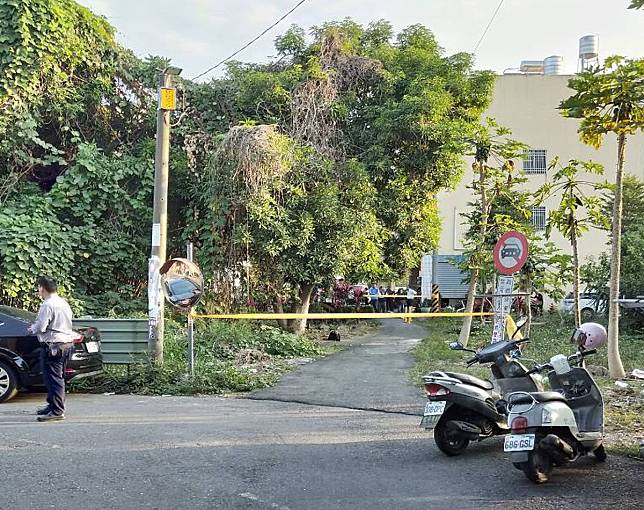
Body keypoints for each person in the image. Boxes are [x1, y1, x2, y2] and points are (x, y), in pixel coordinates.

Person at [27, 276, 76, 422]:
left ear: (42, 288)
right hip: (66, 344)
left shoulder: (47, 305)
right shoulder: (63, 302)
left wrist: (31, 329)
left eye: (38, 287)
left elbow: (41, 327)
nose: (38, 290)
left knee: (53, 379)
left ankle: (57, 411)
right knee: (56, 378)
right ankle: (53, 405)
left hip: (53, 346)